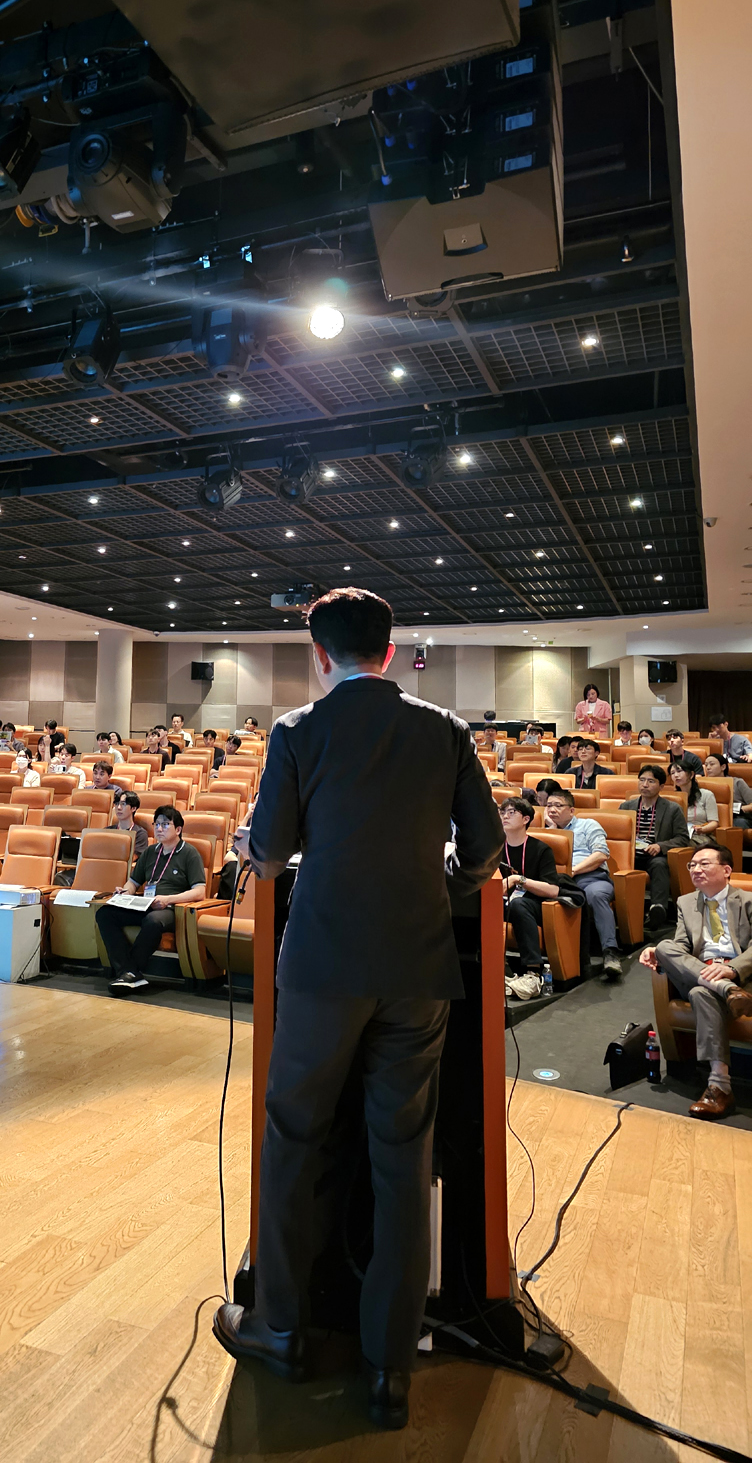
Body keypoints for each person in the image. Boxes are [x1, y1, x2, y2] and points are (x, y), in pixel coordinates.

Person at [213, 586, 503, 1425]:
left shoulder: (298, 730)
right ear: (390, 650)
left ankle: (280, 1329)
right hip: (418, 968)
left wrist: (257, 844)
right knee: (403, 1159)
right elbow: (485, 850)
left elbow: (270, 853)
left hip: (322, 969)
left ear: (320, 655)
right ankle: (389, 1367)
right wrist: (442, 878)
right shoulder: (446, 730)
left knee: (294, 1141)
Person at [639, 843, 752, 1118]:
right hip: (702, 971)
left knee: (701, 993)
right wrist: (658, 952)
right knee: (664, 946)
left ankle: (719, 1087)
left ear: (726, 870)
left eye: (704, 864)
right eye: (692, 865)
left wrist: (732, 970)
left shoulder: (748, 900)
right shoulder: (685, 902)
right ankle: (726, 990)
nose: (695, 869)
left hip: (739, 976)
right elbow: (681, 945)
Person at [95, 805, 205, 994]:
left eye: (165, 824)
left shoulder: (189, 853)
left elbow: (199, 891)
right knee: (105, 914)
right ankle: (128, 971)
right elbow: (133, 882)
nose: (160, 829)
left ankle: (130, 972)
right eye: (157, 824)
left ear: (178, 829)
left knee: (153, 920)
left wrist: (169, 899)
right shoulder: (150, 852)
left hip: (172, 909)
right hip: (146, 904)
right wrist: (125, 892)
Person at [544, 790, 622, 979]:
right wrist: (553, 831)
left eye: (558, 805)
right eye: (549, 806)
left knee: (596, 895)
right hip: (559, 882)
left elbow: (601, 854)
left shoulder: (588, 825)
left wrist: (573, 870)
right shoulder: (545, 832)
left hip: (591, 878)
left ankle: (610, 953)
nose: (552, 810)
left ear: (571, 810)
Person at [498, 797, 561, 1000]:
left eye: (511, 812)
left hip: (535, 904)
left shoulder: (540, 849)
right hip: (502, 902)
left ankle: (532, 974)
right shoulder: (495, 849)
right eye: (502, 812)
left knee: (518, 904)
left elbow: (553, 890)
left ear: (526, 819)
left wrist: (518, 879)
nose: (505, 816)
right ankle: (500, 970)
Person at [619, 765, 691, 930]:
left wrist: (660, 845)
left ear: (661, 786)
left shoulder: (672, 809)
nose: (645, 785)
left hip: (654, 855)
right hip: (630, 855)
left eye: (651, 781)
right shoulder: (626, 807)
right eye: (642, 780)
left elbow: (682, 838)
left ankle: (657, 909)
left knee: (659, 865)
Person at [669, 762, 718, 841]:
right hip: (677, 836)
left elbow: (714, 823)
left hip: (700, 836)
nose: (676, 775)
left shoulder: (706, 795)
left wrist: (702, 829)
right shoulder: (672, 798)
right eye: (672, 773)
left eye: (679, 771)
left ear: (691, 774)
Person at [705, 754, 752, 832]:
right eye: (706, 765)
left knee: (738, 823)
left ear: (723, 767)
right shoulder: (704, 784)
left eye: (712, 764)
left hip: (737, 817)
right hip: (712, 817)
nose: (708, 767)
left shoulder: (737, 782)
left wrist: (737, 810)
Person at [107, 790, 147, 859]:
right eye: (117, 804)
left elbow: (132, 858)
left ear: (133, 808)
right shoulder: (107, 831)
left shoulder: (140, 834)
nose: (119, 807)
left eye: (123, 804)